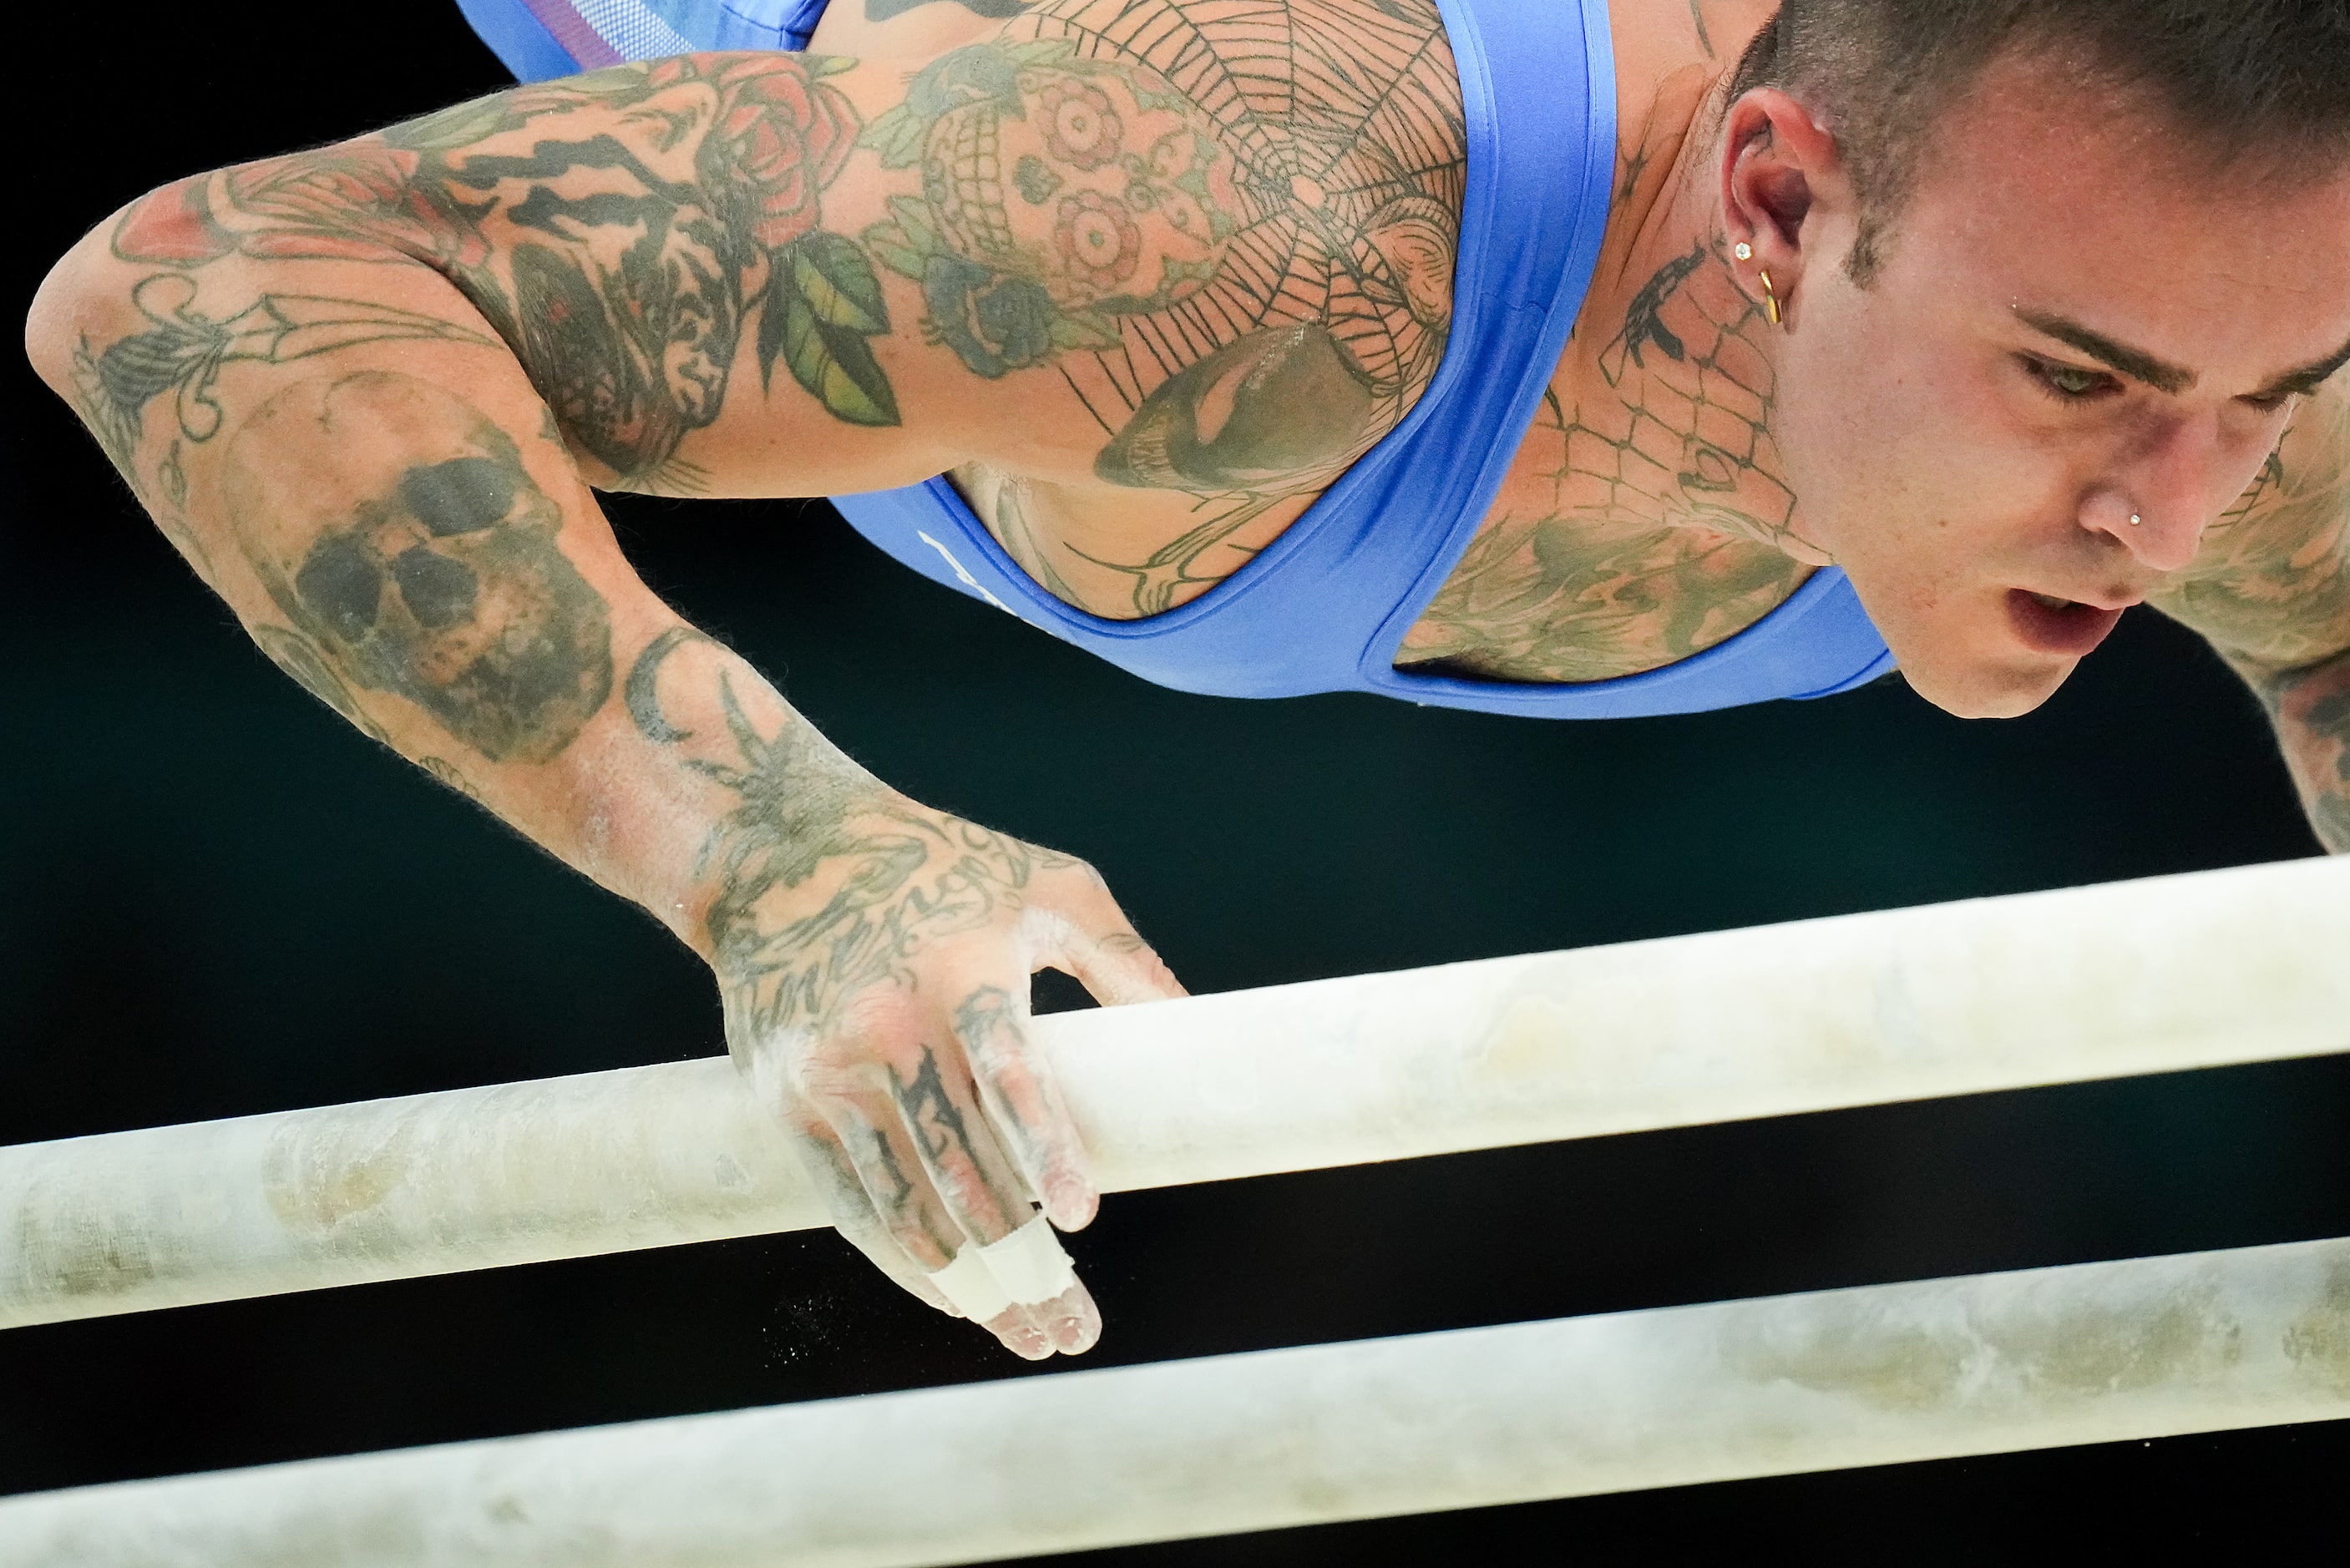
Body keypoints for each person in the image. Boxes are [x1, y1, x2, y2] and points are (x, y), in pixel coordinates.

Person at [25, 0, 2350, 1360]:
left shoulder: (2250, 386)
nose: (2176, 508)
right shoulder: (1257, 228)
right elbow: (200, 284)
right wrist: (769, 850)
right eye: (2074, 384)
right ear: (1770, 211)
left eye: (2265, 399)